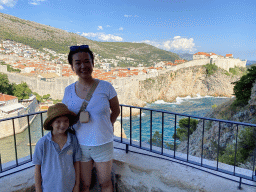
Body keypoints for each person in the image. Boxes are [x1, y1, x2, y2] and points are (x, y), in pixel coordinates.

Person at [62, 45, 120, 192]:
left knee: (105, 183)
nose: (83, 66)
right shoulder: (68, 91)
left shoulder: (106, 87)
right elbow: (65, 117)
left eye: (87, 61)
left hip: (103, 143)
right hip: (79, 145)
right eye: (78, 62)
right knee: (84, 184)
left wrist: (107, 125)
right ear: (72, 67)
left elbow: (116, 110)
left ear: (93, 63)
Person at [33, 103, 81, 192]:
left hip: (69, 187)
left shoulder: (73, 140)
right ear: (51, 123)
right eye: (58, 121)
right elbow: (37, 169)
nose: (62, 125)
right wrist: (38, 189)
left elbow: (76, 163)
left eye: (66, 121)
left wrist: (77, 185)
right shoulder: (42, 143)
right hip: (49, 188)